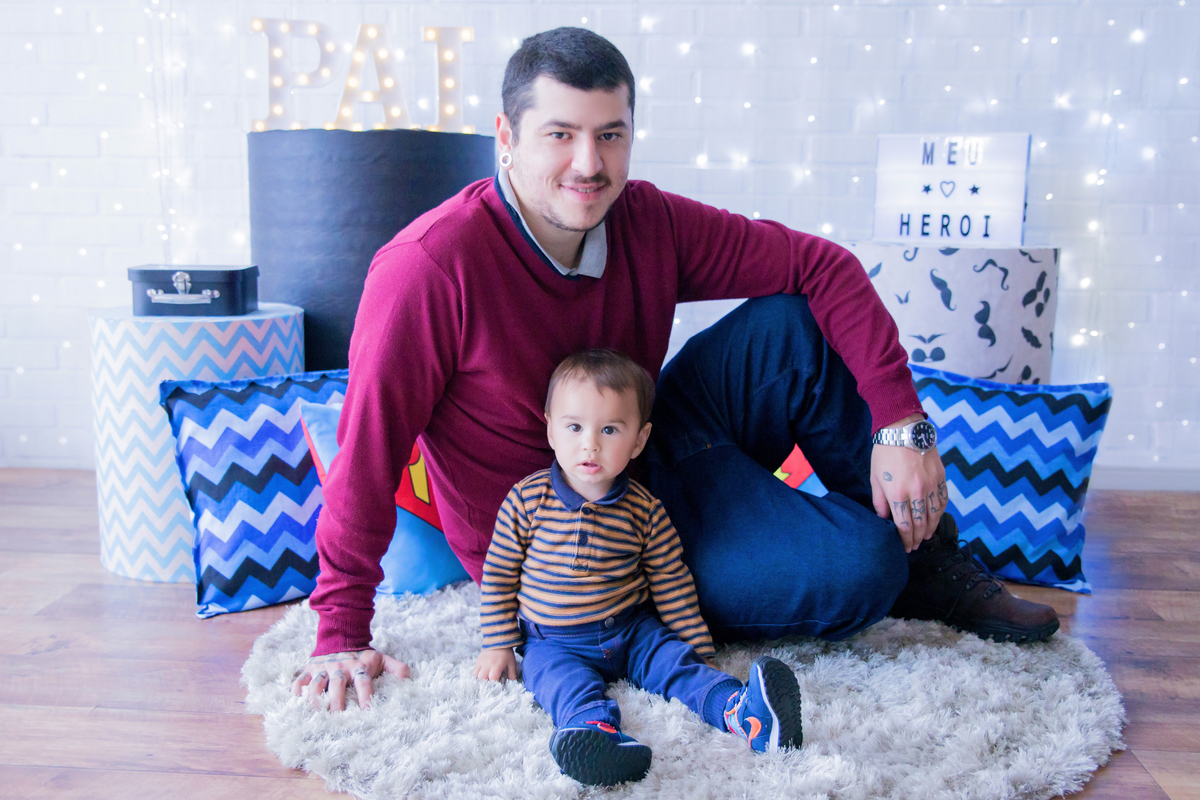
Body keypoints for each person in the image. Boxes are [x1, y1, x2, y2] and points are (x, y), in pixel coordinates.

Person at [291, 26, 1058, 712]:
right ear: (505, 136)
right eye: (559, 134)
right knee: (863, 567)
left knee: (791, 322)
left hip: (648, 453)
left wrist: (901, 421)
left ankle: (933, 556)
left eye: (611, 135)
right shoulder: (428, 269)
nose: (588, 165)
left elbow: (823, 264)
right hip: (566, 549)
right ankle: (878, 556)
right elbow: (367, 452)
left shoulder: (645, 220)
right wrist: (340, 630)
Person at [472, 348, 803, 786]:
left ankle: (746, 714)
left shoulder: (644, 510)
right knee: (560, 685)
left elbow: (671, 579)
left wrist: (696, 647)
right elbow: (499, 575)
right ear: (550, 429)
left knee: (677, 665)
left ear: (639, 440)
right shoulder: (527, 500)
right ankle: (594, 734)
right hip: (553, 642)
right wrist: (498, 643)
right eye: (574, 427)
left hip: (630, 630)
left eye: (610, 429)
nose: (590, 444)